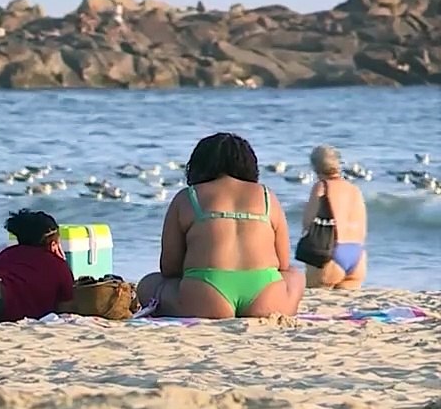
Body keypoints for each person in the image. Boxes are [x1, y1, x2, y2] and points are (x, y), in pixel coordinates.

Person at [136, 133, 304, 319]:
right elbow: (283, 263)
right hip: (264, 294)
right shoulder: (267, 196)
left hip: (206, 293)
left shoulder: (188, 197)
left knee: (148, 284)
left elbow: (170, 267)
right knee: (295, 276)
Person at [302, 144, 367, 289]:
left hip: (331, 253)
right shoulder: (354, 189)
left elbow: (308, 222)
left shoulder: (322, 187)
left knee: (316, 292)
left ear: (314, 166)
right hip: (357, 254)